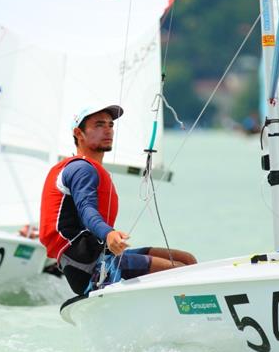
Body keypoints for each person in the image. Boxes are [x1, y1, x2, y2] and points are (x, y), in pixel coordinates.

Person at [39, 104, 196, 295]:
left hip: (101, 256)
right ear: (79, 133)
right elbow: (87, 210)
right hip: (87, 266)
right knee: (179, 270)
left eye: (110, 125)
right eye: (98, 125)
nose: (107, 130)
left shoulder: (91, 169)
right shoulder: (81, 169)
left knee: (187, 260)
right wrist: (109, 234)